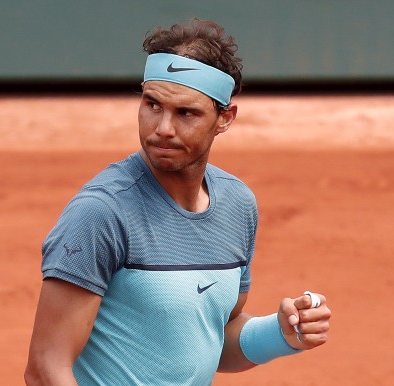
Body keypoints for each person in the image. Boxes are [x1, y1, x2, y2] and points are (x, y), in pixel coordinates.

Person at [25, 18, 331, 386]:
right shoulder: (101, 213)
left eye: (186, 113)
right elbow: (46, 368)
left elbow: (211, 337)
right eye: (152, 104)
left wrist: (280, 334)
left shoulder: (237, 205)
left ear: (225, 118)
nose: (163, 128)